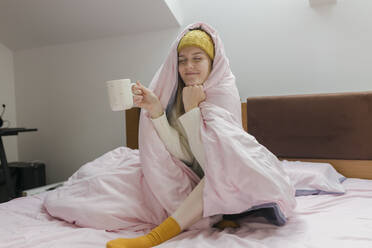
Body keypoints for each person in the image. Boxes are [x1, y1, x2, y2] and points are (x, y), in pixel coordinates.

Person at [106, 23, 296, 248]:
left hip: (244, 173)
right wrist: (156, 110)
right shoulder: (178, 96)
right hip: (211, 176)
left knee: (223, 167)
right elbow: (186, 157)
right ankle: (222, 212)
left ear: (212, 62)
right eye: (182, 60)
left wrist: (194, 110)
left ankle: (155, 237)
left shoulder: (223, 92)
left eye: (197, 58)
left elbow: (215, 161)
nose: (189, 66)